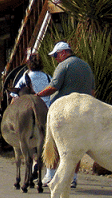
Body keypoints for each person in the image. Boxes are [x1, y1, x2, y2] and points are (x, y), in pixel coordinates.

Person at [36, 41, 96, 187]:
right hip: (82, 113)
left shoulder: (63, 65)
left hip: (63, 112)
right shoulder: (86, 66)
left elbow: (53, 86)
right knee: (77, 146)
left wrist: (38, 95)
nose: (55, 58)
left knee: (54, 143)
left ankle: (50, 175)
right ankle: (73, 178)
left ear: (63, 52)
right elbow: (93, 92)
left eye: (56, 55)